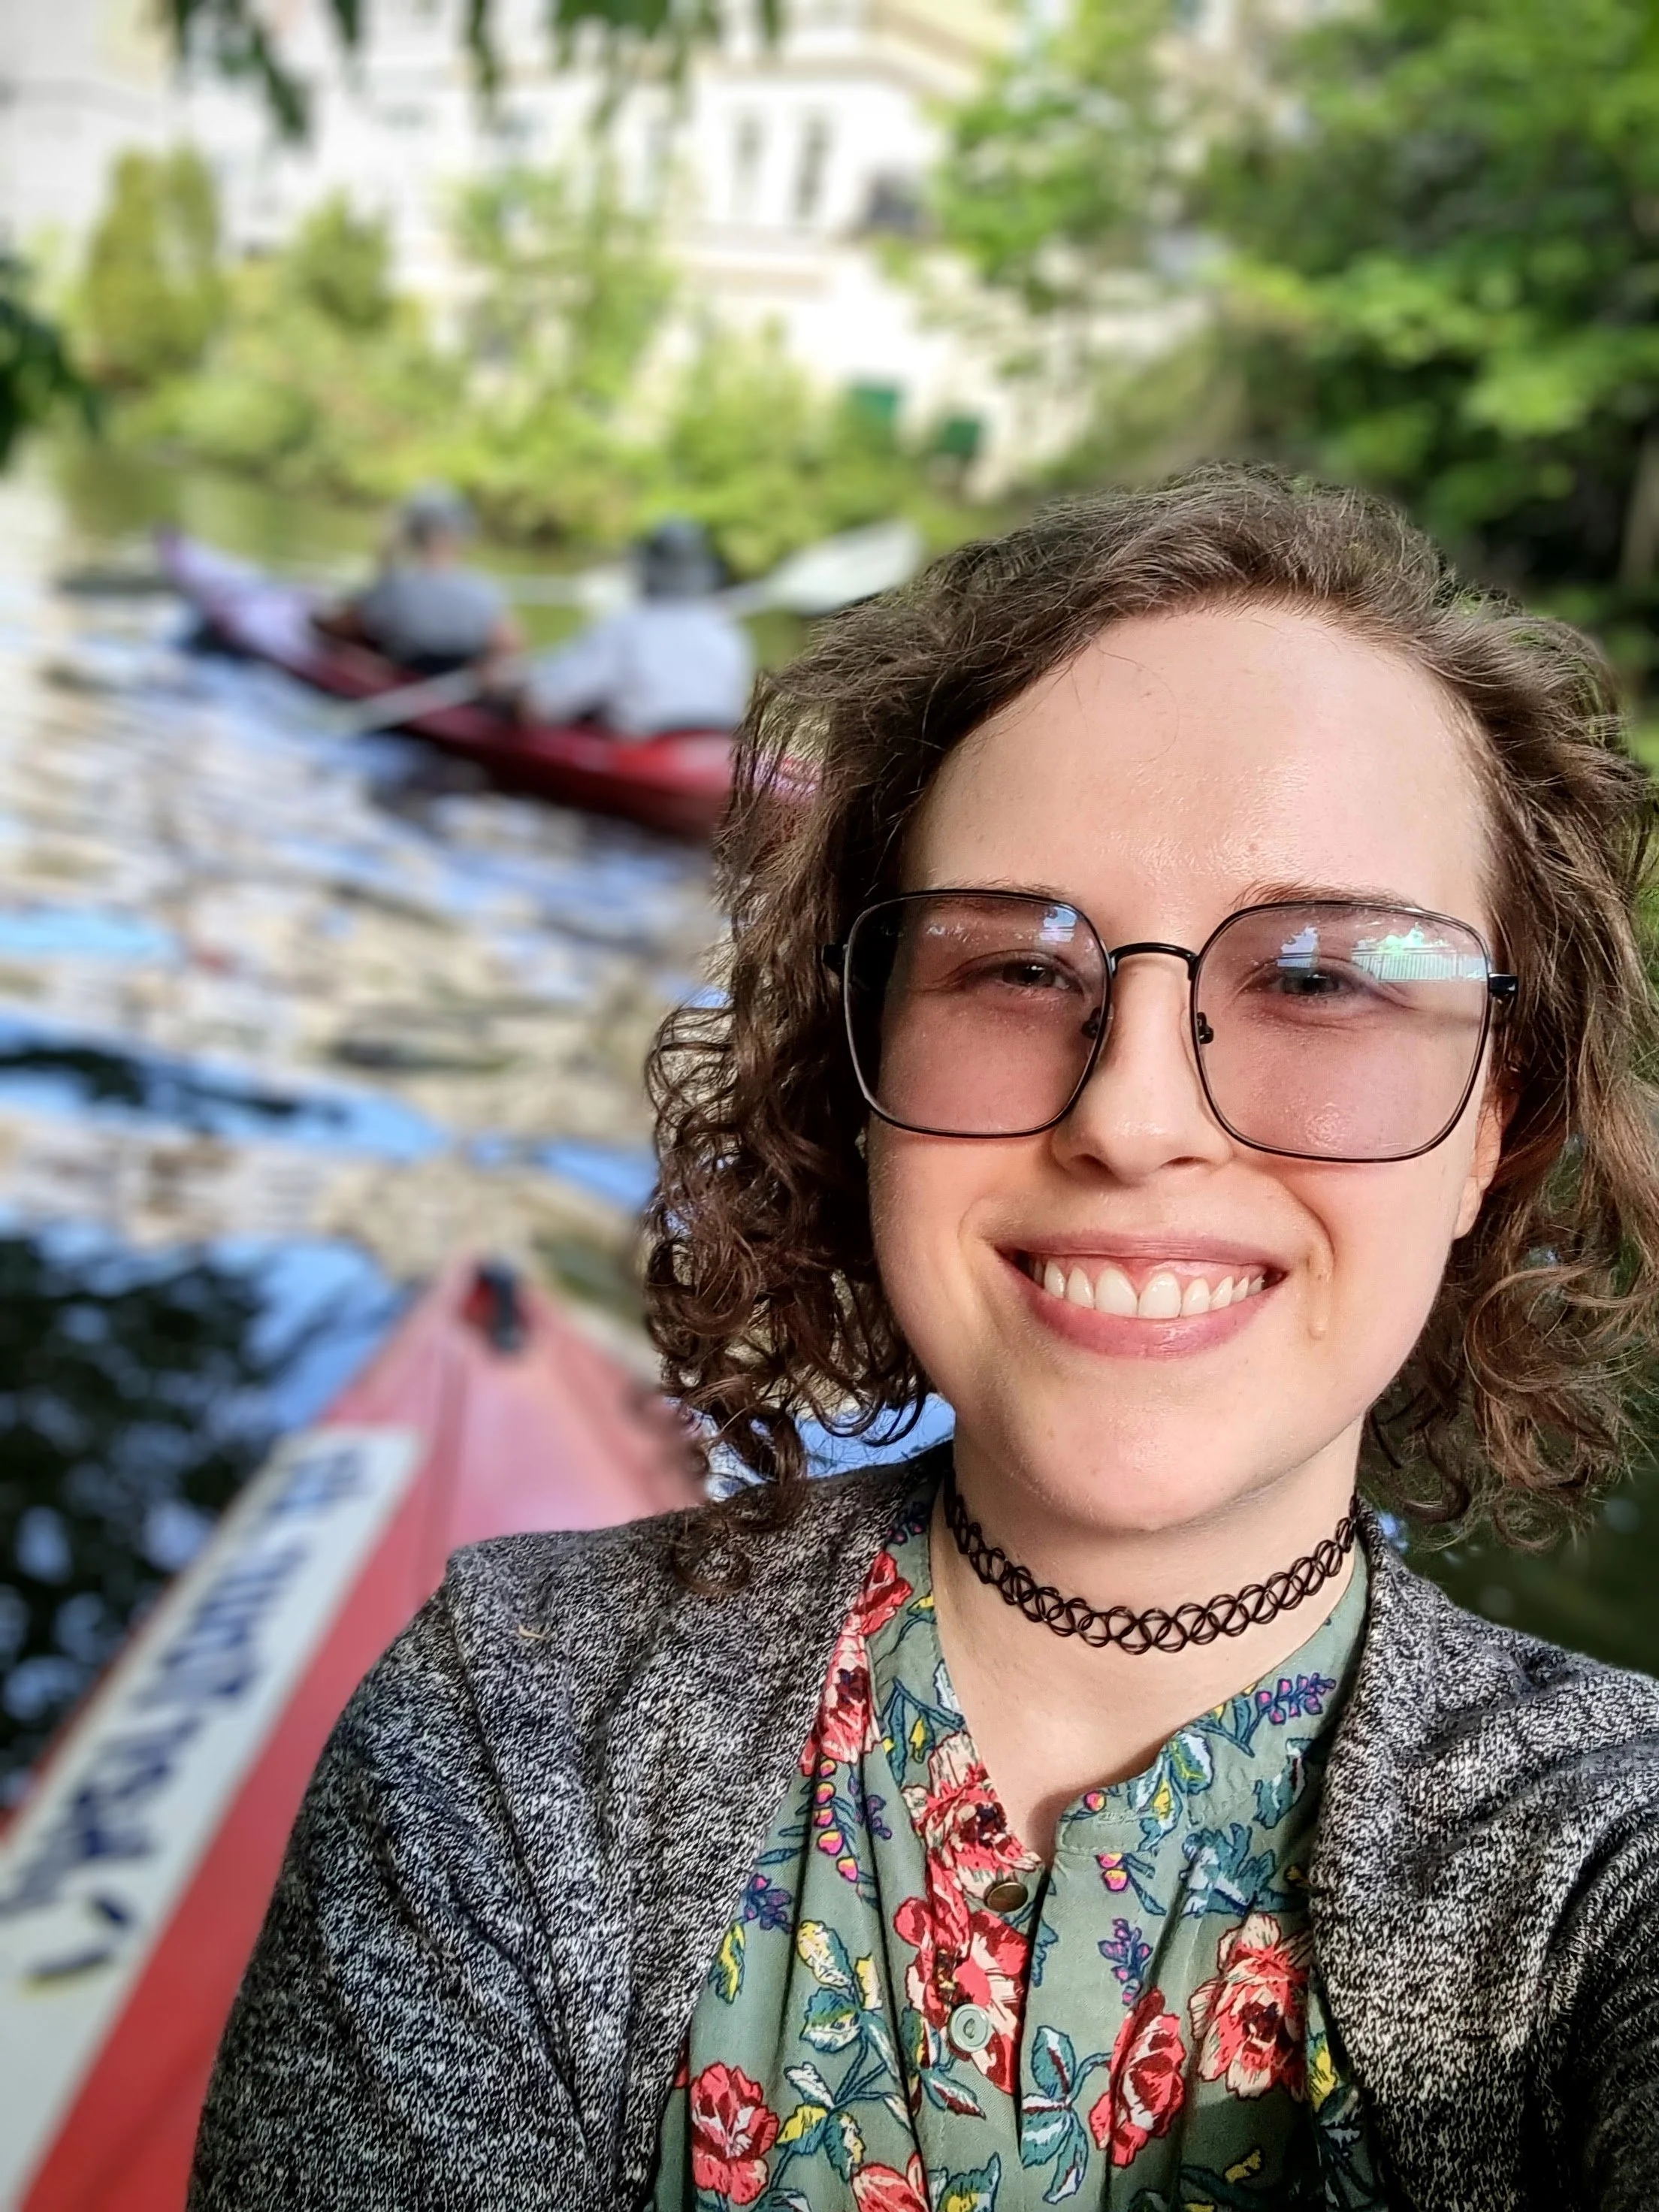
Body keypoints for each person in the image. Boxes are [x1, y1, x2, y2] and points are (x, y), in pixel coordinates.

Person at [190, 469, 1659, 2209]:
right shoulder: (502, 1731)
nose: (1131, 1115)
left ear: (1497, 1109)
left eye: (1324, 977)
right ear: (860, 1067)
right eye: (1016, 968)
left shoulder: (1603, 1869)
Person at [520, 515, 754, 738]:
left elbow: (540, 707)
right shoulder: (728, 633)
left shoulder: (626, 627)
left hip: (644, 754)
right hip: (714, 748)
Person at [315, 484, 521, 675]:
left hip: (410, 681)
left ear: (410, 531)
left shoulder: (395, 586)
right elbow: (511, 646)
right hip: (451, 685)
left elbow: (337, 627)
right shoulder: (483, 589)